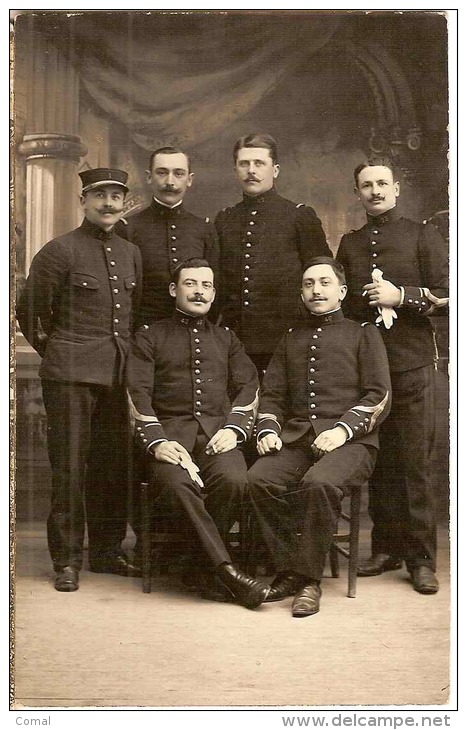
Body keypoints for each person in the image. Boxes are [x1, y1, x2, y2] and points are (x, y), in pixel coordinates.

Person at [16, 168, 143, 592]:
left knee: (112, 467)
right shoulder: (59, 251)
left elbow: (132, 314)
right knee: (69, 466)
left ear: (124, 202)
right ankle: (67, 560)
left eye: (116, 196)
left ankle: (106, 552)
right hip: (70, 375)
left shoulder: (130, 253)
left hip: (117, 375)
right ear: (83, 201)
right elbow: (31, 312)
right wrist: (59, 353)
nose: (109, 203)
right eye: (100, 196)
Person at [247, 257, 391, 617]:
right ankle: (288, 569)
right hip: (298, 439)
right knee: (257, 479)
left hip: (353, 443)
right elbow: (274, 395)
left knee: (319, 483)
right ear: (301, 292)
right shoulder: (291, 338)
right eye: (309, 284)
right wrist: (268, 430)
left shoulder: (363, 334)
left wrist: (342, 430)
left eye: (325, 283)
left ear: (341, 291)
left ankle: (308, 581)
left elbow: (378, 395)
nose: (316, 290)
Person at [126, 258, 270, 609]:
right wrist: (157, 441)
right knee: (177, 485)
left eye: (206, 286)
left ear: (214, 293)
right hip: (170, 440)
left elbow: (249, 385)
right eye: (191, 284)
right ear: (175, 290)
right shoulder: (150, 336)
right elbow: (136, 392)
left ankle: (197, 566)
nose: (199, 291)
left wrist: (235, 429)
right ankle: (223, 571)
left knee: (236, 481)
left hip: (218, 436)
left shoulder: (227, 338)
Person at [336, 160, 449, 594]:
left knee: (415, 460)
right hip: (369, 368)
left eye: (382, 183)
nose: (375, 191)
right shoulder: (351, 243)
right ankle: (384, 547)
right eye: (366, 185)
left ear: (396, 189)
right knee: (379, 458)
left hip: (414, 363)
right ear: (358, 192)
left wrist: (401, 296)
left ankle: (420, 559)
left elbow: (449, 292)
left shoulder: (423, 234)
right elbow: (344, 304)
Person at [214, 133, 331, 374]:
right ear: (235, 170)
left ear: (275, 170)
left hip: (287, 341)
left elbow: (324, 276)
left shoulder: (299, 216)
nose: (251, 171)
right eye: (244, 164)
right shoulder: (225, 219)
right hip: (235, 342)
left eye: (259, 163)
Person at [117, 146, 219, 327]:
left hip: (193, 331)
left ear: (190, 179)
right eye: (162, 173)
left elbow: (215, 284)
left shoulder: (204, 228)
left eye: (178, 174)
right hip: (143, 330)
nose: (170, 181)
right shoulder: (128, 227)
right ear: (149, 177)